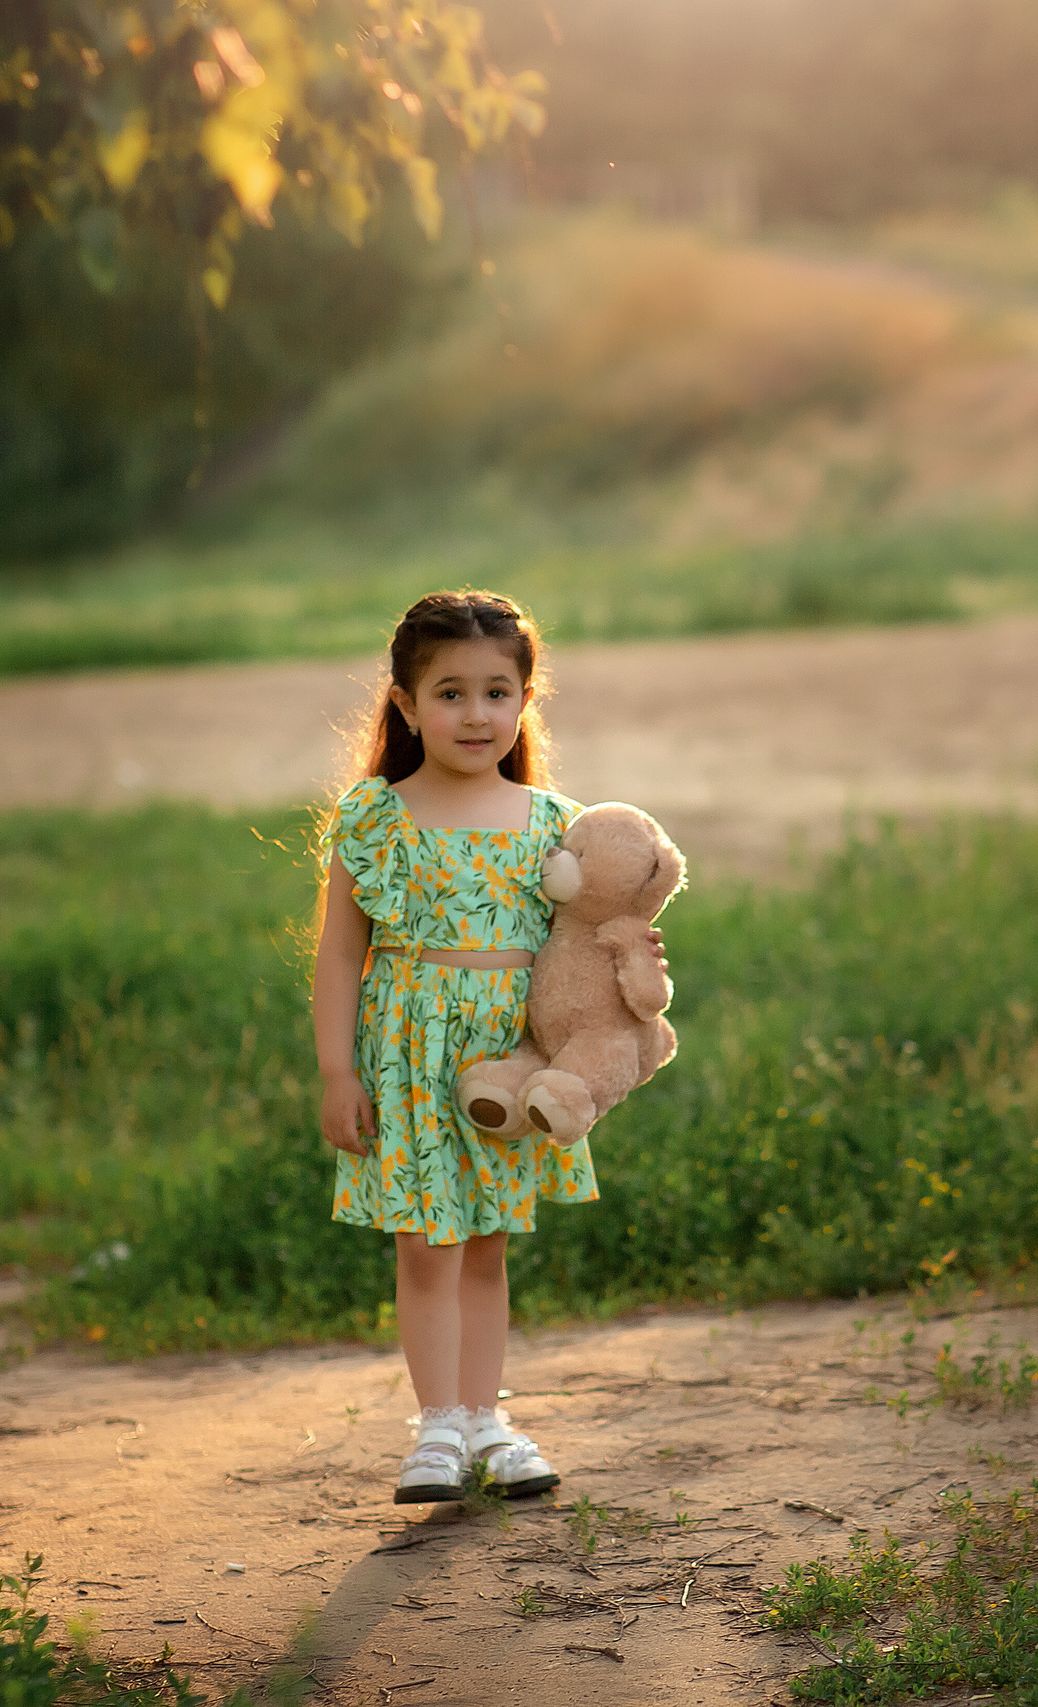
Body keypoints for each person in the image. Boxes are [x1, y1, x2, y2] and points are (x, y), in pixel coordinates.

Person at [312, 590, 658, 1505]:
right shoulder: (375, 818)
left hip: (505, 1062)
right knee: (428, 1243)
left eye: (498, 692)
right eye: (451, 692)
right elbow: (341, 952)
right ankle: (436, 1430)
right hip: (410, 1052)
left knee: (489, 1245)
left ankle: (485, 1417)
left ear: (525, 700)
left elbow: (589, 945)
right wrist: (339, 1071)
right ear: (404, 702)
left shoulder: (555, 825)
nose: (477, 714)